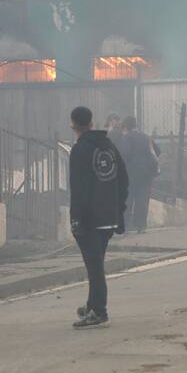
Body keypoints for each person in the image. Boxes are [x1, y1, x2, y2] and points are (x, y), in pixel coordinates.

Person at [69, 106, 128, 329]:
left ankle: (99, 311)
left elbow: (79, 188)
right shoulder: (109, 146)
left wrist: (76, 219)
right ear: (92, 123)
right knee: (97, 262)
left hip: (90, 218)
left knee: (94, 266)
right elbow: (123, 179)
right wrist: (118, 207)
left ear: (73, 124)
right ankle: (92, 304)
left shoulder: (80, 150)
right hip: (109, 217)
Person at [119, 116, 160, 233]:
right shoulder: (146, 137)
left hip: (130, 173)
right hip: (146, 173)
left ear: (126, 127)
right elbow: (157, 151)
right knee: (142, 199)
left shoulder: (127, 137)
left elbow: (124, 153)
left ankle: (126, 226)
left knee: (128, 199)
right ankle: (141, 226)